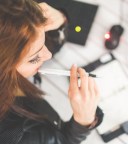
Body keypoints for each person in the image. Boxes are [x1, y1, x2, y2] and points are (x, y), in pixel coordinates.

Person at [0, 0, 104, 144]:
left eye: (43, 38)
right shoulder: (15, 135)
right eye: (34, 58)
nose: (48, 55)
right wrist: (84, 120)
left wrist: (61, 19)